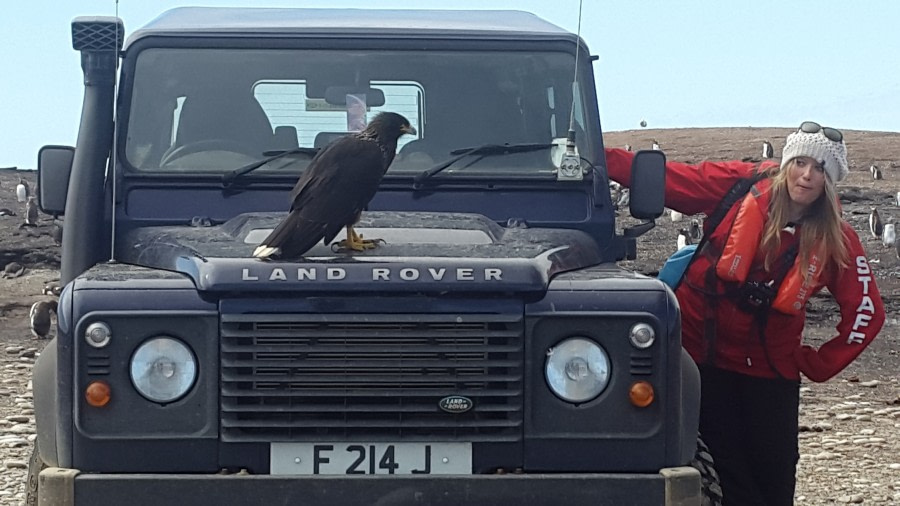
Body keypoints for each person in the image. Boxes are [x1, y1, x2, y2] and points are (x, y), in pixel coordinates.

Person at [604, 121, 885, 506]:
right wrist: (596, 158)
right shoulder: (738, 186)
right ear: (786, 163)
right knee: (712, 471)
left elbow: (867, 313)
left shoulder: (837, 238)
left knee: (772, 479)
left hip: (769, 373)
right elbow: (671, 178)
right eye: (800, 162)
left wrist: (818, 363)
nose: (807, 174)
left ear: (830, 179)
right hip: (699, 359)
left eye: (820, 168)